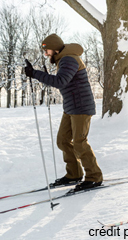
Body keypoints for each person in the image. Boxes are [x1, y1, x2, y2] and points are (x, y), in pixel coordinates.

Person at [25, 34, 103, 191]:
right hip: (71, 107)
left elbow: (60, 81)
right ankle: (74, 174)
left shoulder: (68, 59)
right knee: (63, 140)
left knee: (80, 142)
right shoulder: (63, 59)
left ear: (55, 48)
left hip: (81, 107)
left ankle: (94, 177)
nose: (46, 54)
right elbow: (62, 81)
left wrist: (35, 74)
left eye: (47, 50)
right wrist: (43, 75)